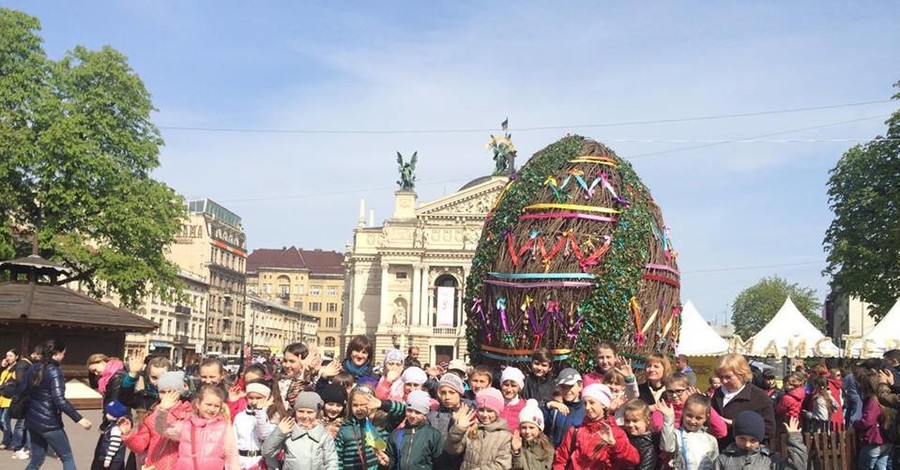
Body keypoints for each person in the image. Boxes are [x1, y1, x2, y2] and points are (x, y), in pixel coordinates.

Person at [17, 339, 93, 470]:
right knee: (67, 457)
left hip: (32, 420)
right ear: (57, 353)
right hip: (50, 422)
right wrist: (79, 419)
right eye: (63, 353)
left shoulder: (33, 368)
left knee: (36, 460)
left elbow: (21, 390)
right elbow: (59, 400)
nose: (64, 356)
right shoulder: (54, 371)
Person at [551, 383, 639, 470]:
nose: (588, 407)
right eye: (585, 404)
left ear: (603, 405)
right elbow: (561, 459)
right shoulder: (575, 430)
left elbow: (633, 460)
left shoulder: (615, 432)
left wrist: (614, 444)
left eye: (592, 403)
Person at [155, 384, 240, 469]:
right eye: (208, 404)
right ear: (198, 404)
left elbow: (231, 455)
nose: (212, 409)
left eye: (216, 406)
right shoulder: (186, 425)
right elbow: (162, 429)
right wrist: (162, 410)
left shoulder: (223, 428)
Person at [119, 371, 192, 470]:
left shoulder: (189, 412)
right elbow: (140, 446)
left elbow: (176, 434)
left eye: (171, 391)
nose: (166, 395)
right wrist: (128, 434)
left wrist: (164, 410)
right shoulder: (151, 413)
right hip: (154, 466)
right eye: (162, 392)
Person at [710, 354, 775, 450]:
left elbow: (769, 429)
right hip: (720, 451)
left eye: (728, 377)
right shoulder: (718, 393)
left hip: (747, 455)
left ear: (741, 374)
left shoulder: (759, 397)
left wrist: (735, 424)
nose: (723, 381)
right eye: (720, 377)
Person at [262, 391, 339, 470]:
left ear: (317, 413)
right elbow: (267, 452)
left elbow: (331, 461)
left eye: (310, 412)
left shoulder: (323, 435)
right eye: (300, 411)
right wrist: (278, 432)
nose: (304, 416)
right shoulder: (287, 431)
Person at [445, 387, 513, 470]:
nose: (484, 415)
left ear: (497, 412)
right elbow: (452, 450)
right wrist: (458, 429)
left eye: (489, 411)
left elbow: (503, 464)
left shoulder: (504, 436)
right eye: (481, 410)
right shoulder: (472, 428)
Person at [715, 412, 806, 470]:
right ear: (735, 437)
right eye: (742, 438)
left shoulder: (771, 460)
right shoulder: (723, 460)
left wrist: (794, 439)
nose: (747, 444)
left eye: (753, 440)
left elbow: (797, 467)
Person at [659, 395, 718, 470]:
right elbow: (667, 447)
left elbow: (715, 464)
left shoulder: (711, 440)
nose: (693, 421)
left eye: (698, 418)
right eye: (689, 416)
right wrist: (668, 418)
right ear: (683, 412)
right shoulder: (676, 434)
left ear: (706, 417)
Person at [390, 390, 444, 469]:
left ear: (424, 414)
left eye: (417, 412)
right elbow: (392, 460)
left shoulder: (433, 435)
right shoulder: (396, 435)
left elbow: (439, 463)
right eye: (409, 410)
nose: (412, 415)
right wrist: (387, 462)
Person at [428, 373, 470, 470]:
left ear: (459, 393)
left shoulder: (470, 413)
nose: (447, 397)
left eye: (451, 392)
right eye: (443, 392)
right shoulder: (432, 416)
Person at [233, 381, 276, 469]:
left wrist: (260, 412)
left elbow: (264, 434)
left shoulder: (272, 416)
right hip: (241, 461)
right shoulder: (240, 417)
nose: (254, 401)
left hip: (259, 461)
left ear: (267, 398)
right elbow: (234, 440)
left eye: (258, 398)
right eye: (251, 398)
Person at [543, 368, 585, 447]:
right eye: (563, 387)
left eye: (570, 386)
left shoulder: (585, 410)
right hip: (555, 454)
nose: (567, 391)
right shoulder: (555, 409)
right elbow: (540, 424)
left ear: (580, 386)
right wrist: (548, 406)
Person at [512, 399, 555, 470]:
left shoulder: (547, 449)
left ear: (539, 429)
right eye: (524, 427)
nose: (527, 431)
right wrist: (516, 452)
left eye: (531, 427)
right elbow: (516, 467)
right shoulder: (516, 444)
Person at [620, 399, 658, 470]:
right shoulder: (622, 435)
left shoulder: (648, 446)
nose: (630, 425)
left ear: (647, 421)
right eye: (627, 420)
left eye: (635, 421)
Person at [91, 401, 129, 470]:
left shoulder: (116, 429)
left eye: (109, 413)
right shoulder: (112, 425)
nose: (106, 414)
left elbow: (114, 445)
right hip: (113, 458)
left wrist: (108, 459)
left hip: (114, 460)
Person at [0, 348, 18, 449]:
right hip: (1, 397)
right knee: (0, 420)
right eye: (7, 356)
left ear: (16, 357)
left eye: (11, 356)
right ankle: (10, 436)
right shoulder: (5, 368)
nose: (8, 358)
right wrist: (2, 367)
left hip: (9, 398)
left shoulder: (16, 369)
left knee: (4, 420)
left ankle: (6, 442)